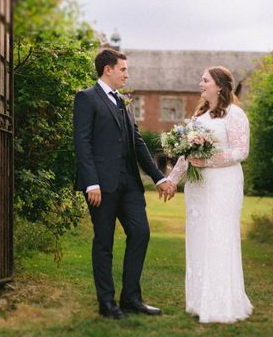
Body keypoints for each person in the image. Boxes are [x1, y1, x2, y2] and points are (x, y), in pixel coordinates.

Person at [73, 48, 177, 319]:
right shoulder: (86, 98)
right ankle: (106, 303)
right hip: (101, 186)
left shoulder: (124, 102)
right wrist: (90, 182)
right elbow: (82, 143)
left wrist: (160, 177)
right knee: (104, 242)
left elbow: (138, 143)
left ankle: (131, 298)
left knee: (141, 233)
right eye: (123, 70)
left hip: (130, 184)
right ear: (108, 69)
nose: (127, 75)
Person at [164, 66, 254, 323]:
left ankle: (221, 304)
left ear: (220, 86)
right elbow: (186, 155)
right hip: (198, 187)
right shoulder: (199, 116)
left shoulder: (235, 115)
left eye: (205, 80)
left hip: (223, 184)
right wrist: (172, 180)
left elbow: (241, 151)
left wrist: (210, 161)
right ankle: (198, 301)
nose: (200, 84)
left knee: (219, 237)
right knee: (199, 238)